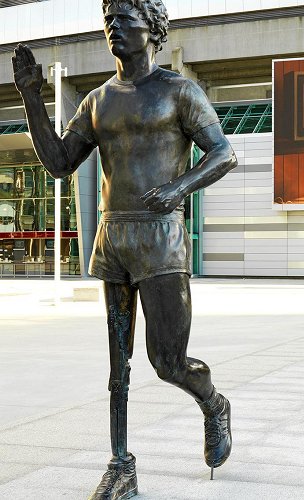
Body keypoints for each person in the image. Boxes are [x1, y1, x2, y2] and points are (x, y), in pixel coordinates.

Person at [12, 1, 237, 498]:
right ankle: (120, 464)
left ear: (151, 30)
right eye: (109, 22)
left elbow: (224, 153)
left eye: (125, 21)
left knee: (168, 362)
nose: (114, 29)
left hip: (162, 241)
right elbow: (58, 162)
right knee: (118, 365)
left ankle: (214, 403)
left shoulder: (179, 90)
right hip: (114, 239)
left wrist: (180, 189)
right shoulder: (97, 100)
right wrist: (30, 94)